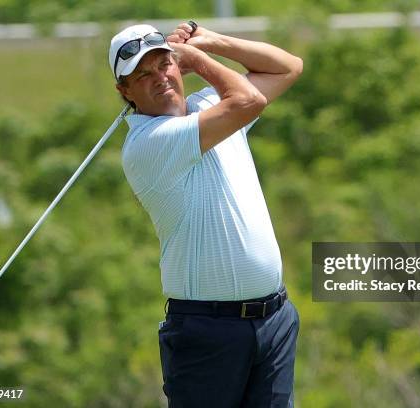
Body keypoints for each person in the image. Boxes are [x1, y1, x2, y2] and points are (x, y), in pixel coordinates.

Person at [109, 21, 303, 407]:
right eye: (142, 75)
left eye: (163, 63)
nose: (159, 78)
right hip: (207, 332)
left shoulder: (208, 106)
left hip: (274, 321)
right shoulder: (148, 144)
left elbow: (288, 66)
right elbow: (249, 101)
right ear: (124, 91)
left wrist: (215, 41)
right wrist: (200, 60)